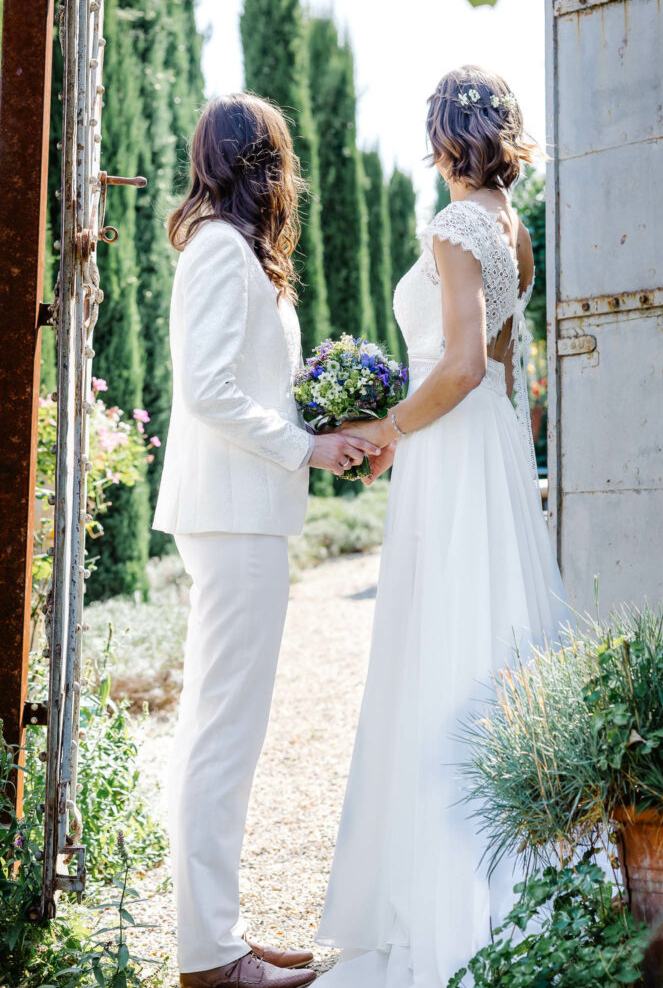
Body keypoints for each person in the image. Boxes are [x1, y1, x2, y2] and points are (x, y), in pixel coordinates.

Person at [314, 65, 570, 988]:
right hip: (484, 450)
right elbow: (503, 372)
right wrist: (412, 434)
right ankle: (526, 881)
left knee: (444, 653)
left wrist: (390, 429)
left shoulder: (455, 226)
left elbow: (459, 365)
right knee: (492, 639)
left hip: (453, 453)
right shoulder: (514, 229)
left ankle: (456, 904)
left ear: (443, 138)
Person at [153, 92, 378, 988]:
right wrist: (303, 446)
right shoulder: (218, 248)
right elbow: (206, 390)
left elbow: (247, 385)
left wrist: (325, 424)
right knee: (221, 733)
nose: (290, 172)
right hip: (232, 514)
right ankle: (209, 955)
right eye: (280, 154)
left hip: (245, 511)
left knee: (224, 730)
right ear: (261, 162)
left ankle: (219, 933)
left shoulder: (236, 251)